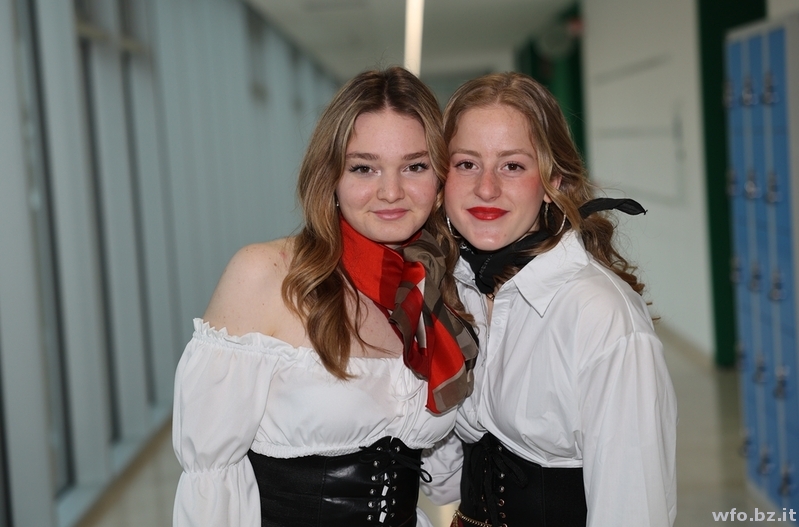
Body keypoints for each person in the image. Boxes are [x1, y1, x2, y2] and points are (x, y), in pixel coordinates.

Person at [172, 66, 478, 527]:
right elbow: (210, 480)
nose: (390, 191)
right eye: (364, 167)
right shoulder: (266, 276)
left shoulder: (436, 290)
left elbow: (445, 480)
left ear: (439, 181)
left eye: (414, 166)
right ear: (331, 176)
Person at [422, 72, 677, 527]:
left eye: (513, 166)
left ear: (553, 180)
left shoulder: (600, 315)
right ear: (442, 180)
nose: (486, 188)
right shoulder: (455, 291)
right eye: (466, 163)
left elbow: (633, 511)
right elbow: (442, 484)